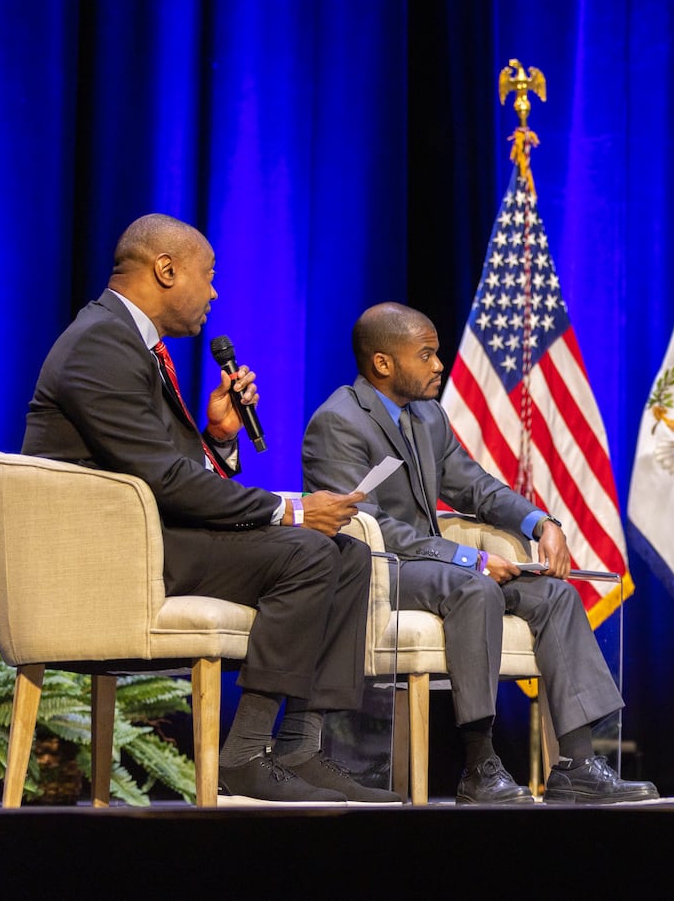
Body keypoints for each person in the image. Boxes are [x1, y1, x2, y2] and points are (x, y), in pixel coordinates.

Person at [22, 214, 400, 804]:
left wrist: (219, 439)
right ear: (165, 270)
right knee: (307, 552)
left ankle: (301, 746)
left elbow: (167, 468)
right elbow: (164, 481)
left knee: (347, 555)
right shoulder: (101, 342)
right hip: (114, 554)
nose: (215, 293)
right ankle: (246, 753)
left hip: (156, 534)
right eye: (210, 276)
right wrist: (290, 511)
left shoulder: (130, 342)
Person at [301, 301, 658, 804]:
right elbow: (369, 528)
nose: (438, 365)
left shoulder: (428, 415)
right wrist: (469, 558)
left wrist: (542, 522)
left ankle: (576, 762)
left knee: (554, 594)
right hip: (382, 571)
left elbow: (475, 486)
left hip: (436, 566)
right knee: (476, 588)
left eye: (438, 354)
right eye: (425, 355)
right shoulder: (337, 423)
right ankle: (478, 764)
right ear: (383, 363)